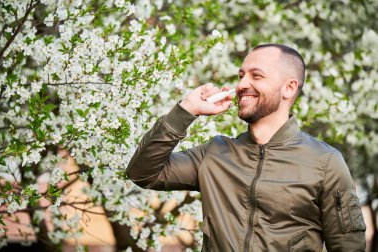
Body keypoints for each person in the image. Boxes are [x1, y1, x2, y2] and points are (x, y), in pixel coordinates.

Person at [126, 44, 366, 251]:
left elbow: (348, 246)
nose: (242, 84)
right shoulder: (214, 154)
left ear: (289, 88)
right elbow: (142, 173)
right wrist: (186, 110)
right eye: (241, 75)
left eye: (256, 75)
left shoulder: (325, 161)